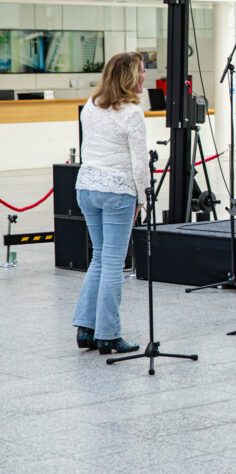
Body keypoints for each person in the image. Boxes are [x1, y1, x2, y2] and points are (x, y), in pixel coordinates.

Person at [72, 52, 148, 355]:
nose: (145, 76)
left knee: (100, 257)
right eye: (141, 71)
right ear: (129, 76)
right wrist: (142, 198)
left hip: (86, 186)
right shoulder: (132, 113)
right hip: (117, 190)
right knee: (114, 263)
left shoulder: (90, 105)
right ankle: (108, 334)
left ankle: (85, 328)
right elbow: (140, 164)